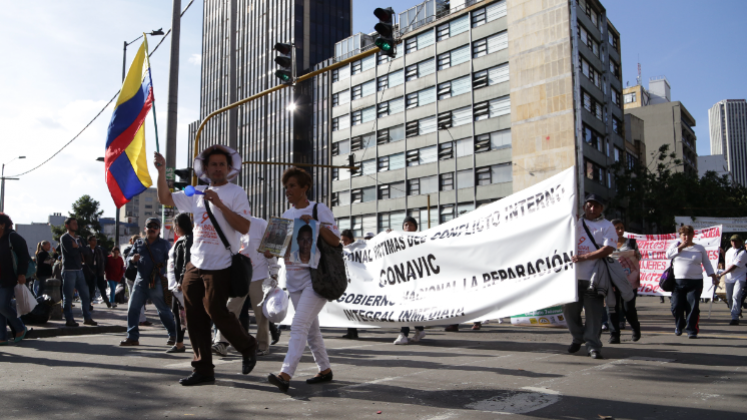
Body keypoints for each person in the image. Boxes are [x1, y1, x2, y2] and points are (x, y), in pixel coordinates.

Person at [155, 146, 258, 386]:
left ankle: (248, 346)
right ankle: (203, 370)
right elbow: (165, 199)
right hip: (195, 262)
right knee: (193, 317)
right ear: (206, 169)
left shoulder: (236, 192)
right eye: (214, 164)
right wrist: (161, 172)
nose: (218, 168)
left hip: (221, 263)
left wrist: (220, 204)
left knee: (215, 310)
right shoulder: (197, 191)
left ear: (229, 168)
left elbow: (244, 227)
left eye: (223, 164)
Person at [267, 166, 340, 392]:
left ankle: (285, 373)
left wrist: (315, 224)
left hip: (315, 279)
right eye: (286, 187)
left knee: (298, 325)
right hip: (293, 279)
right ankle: (325, 369)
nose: (287, 190)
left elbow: (336, 240)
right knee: (311, 330)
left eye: (292, 186)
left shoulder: (318, 209)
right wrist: (269, 248)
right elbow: (275, 250)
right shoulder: (286, 216)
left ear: (305, 187)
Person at [214, 215, 279, 357]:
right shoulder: (229, 222)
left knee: (261, 313)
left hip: (259, 276)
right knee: (230, 309)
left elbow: (270, 248)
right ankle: (222, 342)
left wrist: (274, 271)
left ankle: (262, 345)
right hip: (239, 275)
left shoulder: (260, 224)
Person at [564, 194, 616, 359]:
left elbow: (608, 249)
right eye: (589, 205)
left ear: (602, 209)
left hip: (595, 278)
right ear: (584, 206)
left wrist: (584, 257)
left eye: (596, 206)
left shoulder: (607, 226)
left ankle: (593, 345)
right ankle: (578, 337)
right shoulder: (575, 223)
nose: (592, 209)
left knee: (594, 314)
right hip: (572, 278)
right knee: (569, 310)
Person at [119, 217, 176, 347]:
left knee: (163, 310)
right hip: (140, 281)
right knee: (132, 308)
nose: (152, 229)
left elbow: (172, 261)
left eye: (155, 227)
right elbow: (128, 260)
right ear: (145, 229)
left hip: (157, 281)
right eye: (149, 226)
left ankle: (173, 334)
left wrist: (166, 272)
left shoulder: (164, 244)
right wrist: (132, 260)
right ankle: (132, 337)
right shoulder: (139, 243)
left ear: (159, 230)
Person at [665, 225, 719, 339]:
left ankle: (692, 329)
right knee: (676, 306)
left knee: (693, 307)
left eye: (689, 234)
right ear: (680, 236)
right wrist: (681, 247)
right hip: (677, 282)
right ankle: (679, 325)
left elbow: (707, 263)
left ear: (693, 235)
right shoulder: (675, 246)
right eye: (684, 234)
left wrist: (714, 277)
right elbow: (667, 255)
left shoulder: (699, 248)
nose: (686, 237)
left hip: (695, 282)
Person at [394, 216, 427, 345]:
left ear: (416, 227)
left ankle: (403, 334)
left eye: (411, 225)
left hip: (416, 281)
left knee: (407, 306)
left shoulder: (421, 240)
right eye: (405, 225)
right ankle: (419, 330)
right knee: (409, 307)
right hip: (404, 280)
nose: (408, 227)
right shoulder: (398, 241)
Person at [608, 219, 642, 343]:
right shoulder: (606, 243)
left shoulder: (631, 242)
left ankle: (635, 328)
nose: (620, 231)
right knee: (612, 308)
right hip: (611, 281)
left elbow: (639, 256)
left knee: (628, 308)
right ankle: (614, 335)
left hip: (629, 282)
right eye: (617, 228)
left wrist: (636, 256)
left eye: (622, 228)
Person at [59, 217, 96, 327]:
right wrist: (78, 249)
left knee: (85, 295)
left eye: (76, 223)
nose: (76, 225)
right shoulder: (64, 238)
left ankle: (87, 318)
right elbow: (70, 252)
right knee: (68, 297)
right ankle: (69, 319)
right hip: (69, 270)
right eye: (73, 224)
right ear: (67, 226)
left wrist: (78, 247)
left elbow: (86, 251)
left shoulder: (79, 239)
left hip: (79, 270)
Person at [0, 213, 28, 344]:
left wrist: (21, 273)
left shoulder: (13, 237)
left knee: (2, 306)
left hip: (8, 277)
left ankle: (20, 327)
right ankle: (2, 336)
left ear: (2, 225)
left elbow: (23, 256)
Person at [167, 213, 193, 353]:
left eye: (174, 225)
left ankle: (182, 343)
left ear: (178, 225)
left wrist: (182, 280)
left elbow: (187, 261)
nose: (173, 229)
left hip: (181, 285)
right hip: (176, 285)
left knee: (187, 314)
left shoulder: (188, 239)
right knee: (178, 313)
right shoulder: (182, 239)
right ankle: (179, 343)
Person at [721, 234, 746, 326]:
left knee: (736, 295)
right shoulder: (729, 251)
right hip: (729, 278)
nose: (734, 242)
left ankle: (735, 317)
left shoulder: (743, 253)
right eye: (732, 241)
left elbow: (734, 266)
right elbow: (728, 262)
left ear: (740, 242)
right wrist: (723, 252)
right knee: (729, 298)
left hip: (740, 277)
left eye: (736, 241)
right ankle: (736, 311)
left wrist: (721, 274)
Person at [124, 234, 149, 326]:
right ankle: (139, 319)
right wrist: (133, 259)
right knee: (135, 298)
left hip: (137, 276)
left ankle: (139, 318)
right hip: (132, 276)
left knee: (135, 298)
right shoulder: (129, 249)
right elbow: (127, 260)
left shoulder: (142, 249)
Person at [340, 229, 359, 340]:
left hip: (355, 283)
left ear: (351, 240)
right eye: (342, 240)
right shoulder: (342, 250)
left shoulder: (357, 249)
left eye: (346, 240)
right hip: (347, 282)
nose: (344, 243)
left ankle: (353, 331)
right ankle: (351, 331)